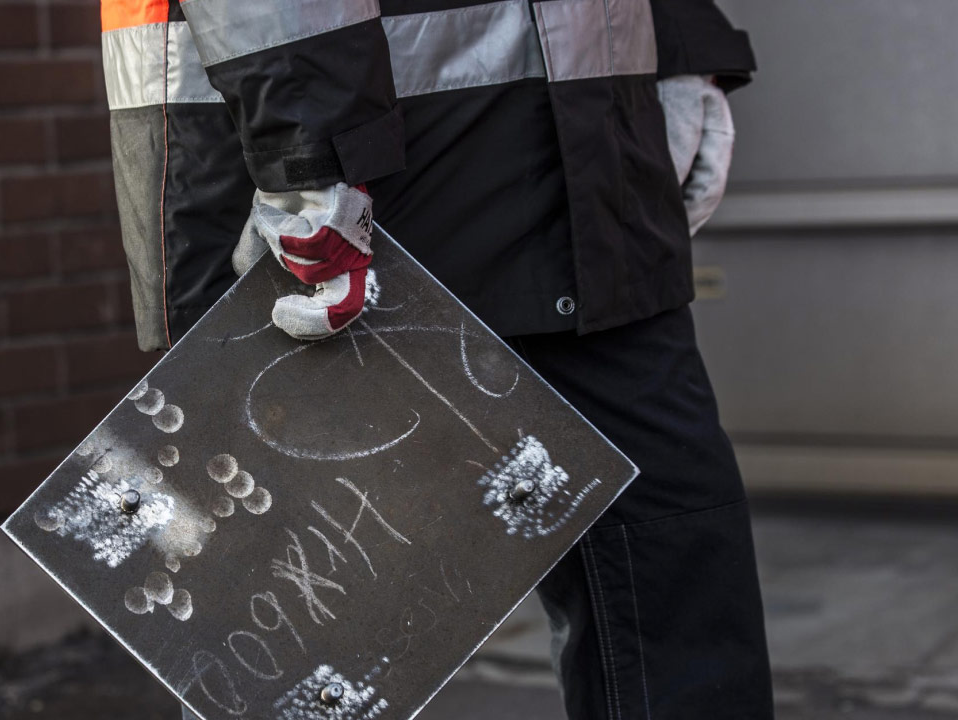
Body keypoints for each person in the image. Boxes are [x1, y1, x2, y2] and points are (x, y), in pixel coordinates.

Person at [102, 0, 773, 717]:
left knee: (677, 582)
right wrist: (307, 154)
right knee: (293, 656)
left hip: (588, 172)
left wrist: (678, 40)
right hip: (339, 184)